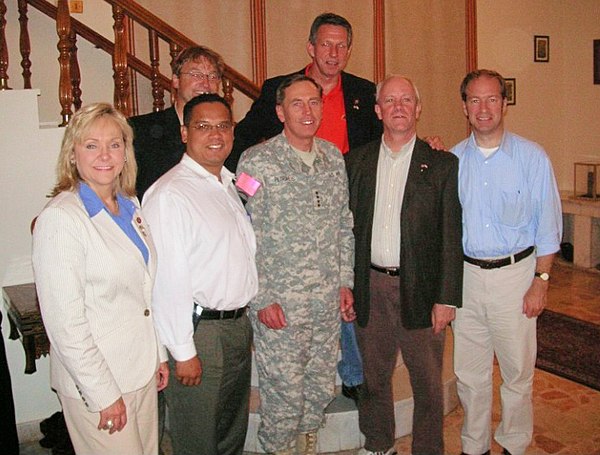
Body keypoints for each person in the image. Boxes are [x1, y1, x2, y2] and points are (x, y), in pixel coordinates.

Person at [231, 11, 379, 402]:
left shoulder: (363, 94)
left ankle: (351, 373)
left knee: (337, 306)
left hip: (337, 215)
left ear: (349, 50)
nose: (333, 52)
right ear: (311, 47)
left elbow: (387, 141)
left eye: (341, 45)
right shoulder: (277, 97)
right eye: (325, 44)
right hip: (285, 234)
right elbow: (242, 208)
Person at [32, 102, 169, 455]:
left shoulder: (129, 204)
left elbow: (143, 293)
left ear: (126, 151)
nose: (104, 154)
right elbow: (65, 324)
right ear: (73, 154)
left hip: (138, 368)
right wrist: (103, 394)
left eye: (115, 143)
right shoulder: (61, 219)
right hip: (99, 381)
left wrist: (158, 355)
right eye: (91, 145)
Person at [237, 74, 355, 455]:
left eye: (314, 102)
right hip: (280, 307)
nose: (308, 111)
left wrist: (344, 282)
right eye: (297, 104)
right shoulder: (256, 162)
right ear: (280, 112)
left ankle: (307, 446)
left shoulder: (333, 158)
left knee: (319, 390)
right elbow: (243, 233)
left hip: (324, 305)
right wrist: (262, 297)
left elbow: (343, 225)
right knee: (284, 399)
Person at [346, 75, 463, 455]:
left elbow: (450, 235)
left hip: (422, 290)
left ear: (418, 108)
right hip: (371, 286)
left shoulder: (442, 164)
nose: (398, 107)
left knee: (427, 384)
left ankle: (428, 449)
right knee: (374, 377)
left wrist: (446, 298)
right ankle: (379, 444)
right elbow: (345, 228)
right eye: (390, 100)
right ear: (378, 110)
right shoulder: (356, 162)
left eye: (406, 100)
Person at [451, 69, 562, 455]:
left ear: (504, 104)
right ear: (465, 107)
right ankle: (474, 445)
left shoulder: (531, 158)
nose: (484, 108)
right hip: (466, 278)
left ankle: (514, 444)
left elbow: (549, 227)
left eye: (492, 99)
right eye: (475, 100)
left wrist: (541, 280)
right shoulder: (452, 161)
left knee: (516, 372)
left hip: (516, 278)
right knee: (469, 374)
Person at [142, 94, 258, 455]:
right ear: (183, 133)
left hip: (237, 326)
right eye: (203, 126)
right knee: (198, 437)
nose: (215, 134)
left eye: (223, 125)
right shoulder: (170, 194)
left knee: (229, 432)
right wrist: (182, 350)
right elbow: (168, 281)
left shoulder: (226, 183)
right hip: (201, 333)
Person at [130, 45, 224, 199]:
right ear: (175, 80)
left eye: (213, 76)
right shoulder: (140, 130)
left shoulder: (224, 137)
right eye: (196, 75)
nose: (206, 84)